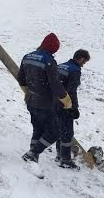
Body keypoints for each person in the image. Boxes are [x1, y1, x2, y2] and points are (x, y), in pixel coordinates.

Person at [18, 33, 72, 163]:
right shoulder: (48, 61)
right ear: (53, 48)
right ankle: (33, 153)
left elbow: (21, 79)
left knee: (38, 129)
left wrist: (27, 92)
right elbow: (55, 84)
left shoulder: (27, 56)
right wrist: (66, 100)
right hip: (45, 103)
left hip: (31, 100)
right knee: (54, 132)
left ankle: (33, 156)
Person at [55, 49, 91, 168]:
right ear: (81, 59)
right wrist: (74, 108)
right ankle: (65, 159)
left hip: (53, 102)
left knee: (59, 129)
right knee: (67, 131)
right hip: (65, 104)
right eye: (84, 62)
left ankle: (59, 154)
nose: (83, 65)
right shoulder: (75, 70)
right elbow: (71, 91)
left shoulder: (61, 66)